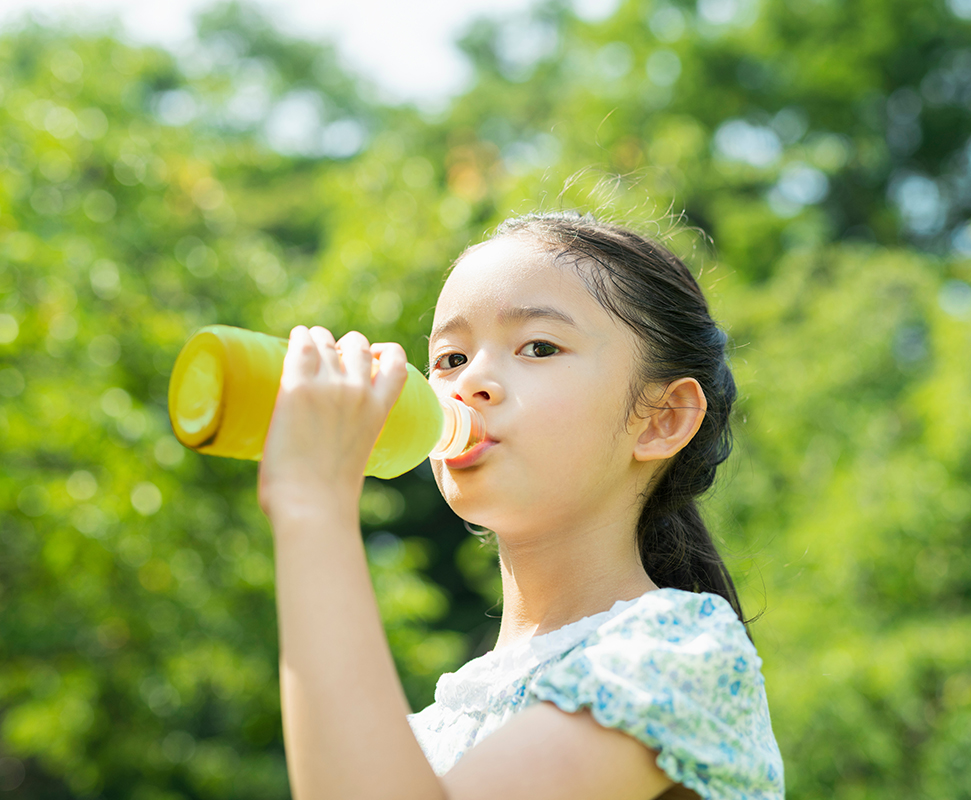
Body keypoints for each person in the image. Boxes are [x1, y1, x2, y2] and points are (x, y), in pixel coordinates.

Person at [257, 211, 785, 800]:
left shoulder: (681, 658)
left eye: (538, 346)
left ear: (663, 419)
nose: (471, 382)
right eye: (450, 359)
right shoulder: (427, 736)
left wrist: (315, 504)